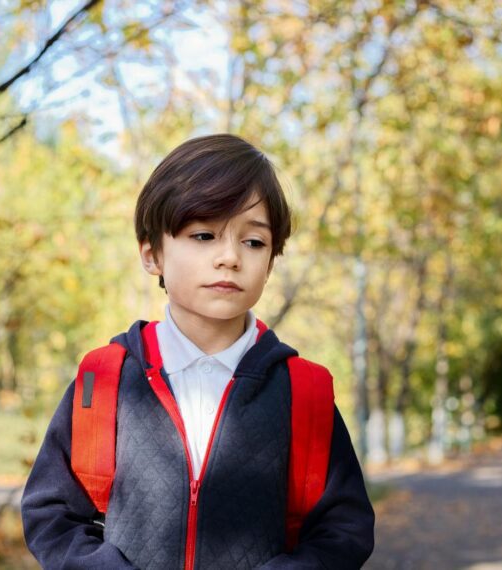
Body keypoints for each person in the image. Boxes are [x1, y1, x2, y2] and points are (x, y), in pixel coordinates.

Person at [21, 133, 375, 569]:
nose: (230, 257)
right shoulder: (105, 380)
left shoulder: (303, 391)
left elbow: (345, 527)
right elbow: (51, 513)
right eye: (204, 235)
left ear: (271, 261)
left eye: (253, 242)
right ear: (152, 255)